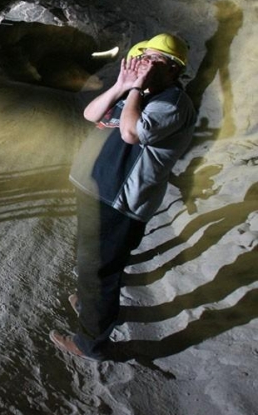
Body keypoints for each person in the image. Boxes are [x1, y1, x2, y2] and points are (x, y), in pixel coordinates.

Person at [50, 33, 197, 361]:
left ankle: (91, 344)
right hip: (96, 188)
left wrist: (133, 89)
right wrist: (120, 85)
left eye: (154, 61)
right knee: (89, 259)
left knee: (101, 269)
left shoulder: (173, 101)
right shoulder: (137, 92)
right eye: (142, 58)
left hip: (121, 202)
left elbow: (131, 132)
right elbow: (91, 114)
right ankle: (92, 306)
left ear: (173, 70)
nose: (144, 65)